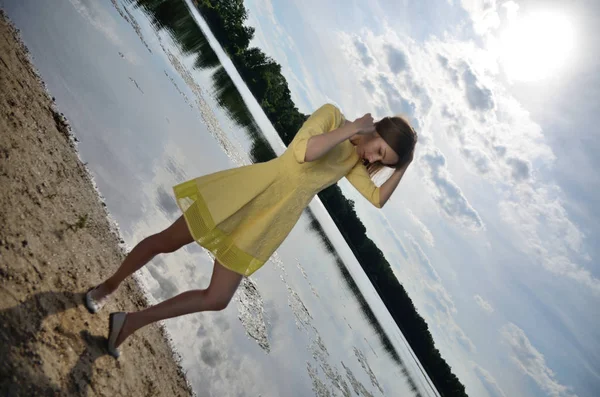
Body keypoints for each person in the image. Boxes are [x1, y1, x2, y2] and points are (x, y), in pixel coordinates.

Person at [84, 103, 417, 358]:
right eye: (379, 151)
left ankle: (128, 322)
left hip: (265, 222)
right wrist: (350, 130)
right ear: (378, 130)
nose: (371, 158)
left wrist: (403, 166)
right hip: (246, 193)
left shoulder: (353, 161)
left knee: (217, 298)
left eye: (381, 160)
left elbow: (376, 198)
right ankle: (107, 287)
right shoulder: (332, 117)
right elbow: (303, 153)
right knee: (166, 242)